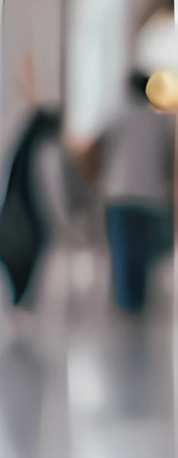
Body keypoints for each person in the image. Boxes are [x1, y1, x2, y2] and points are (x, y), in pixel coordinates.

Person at [100, 74, 175, 313]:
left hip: (121, 196)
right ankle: (138, 304)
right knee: (142, 257)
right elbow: (169, 159)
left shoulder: (117, 117)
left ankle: (128, 307)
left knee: (124, 256)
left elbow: (101, 152)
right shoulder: (159, 121)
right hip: (152, 197)